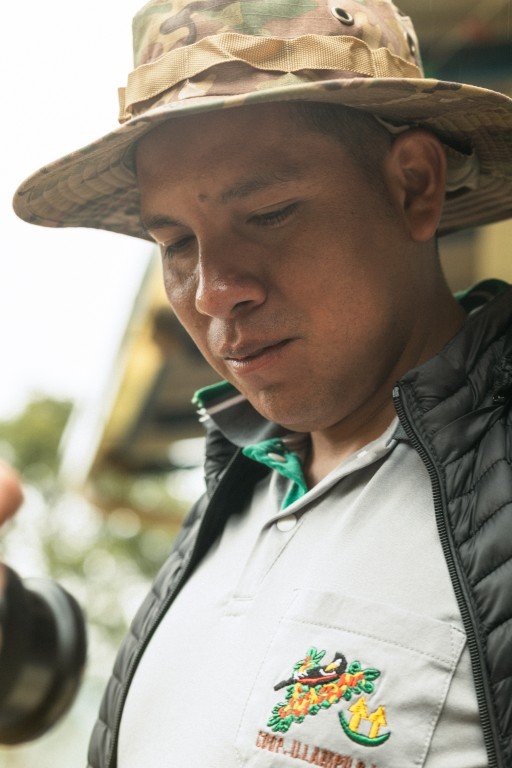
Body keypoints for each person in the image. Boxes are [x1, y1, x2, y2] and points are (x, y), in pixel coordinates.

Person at [13, 1, 512, 767]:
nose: (215, 292)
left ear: (414, 185)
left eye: (270, 213)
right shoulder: (232, 500)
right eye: (176, 244)